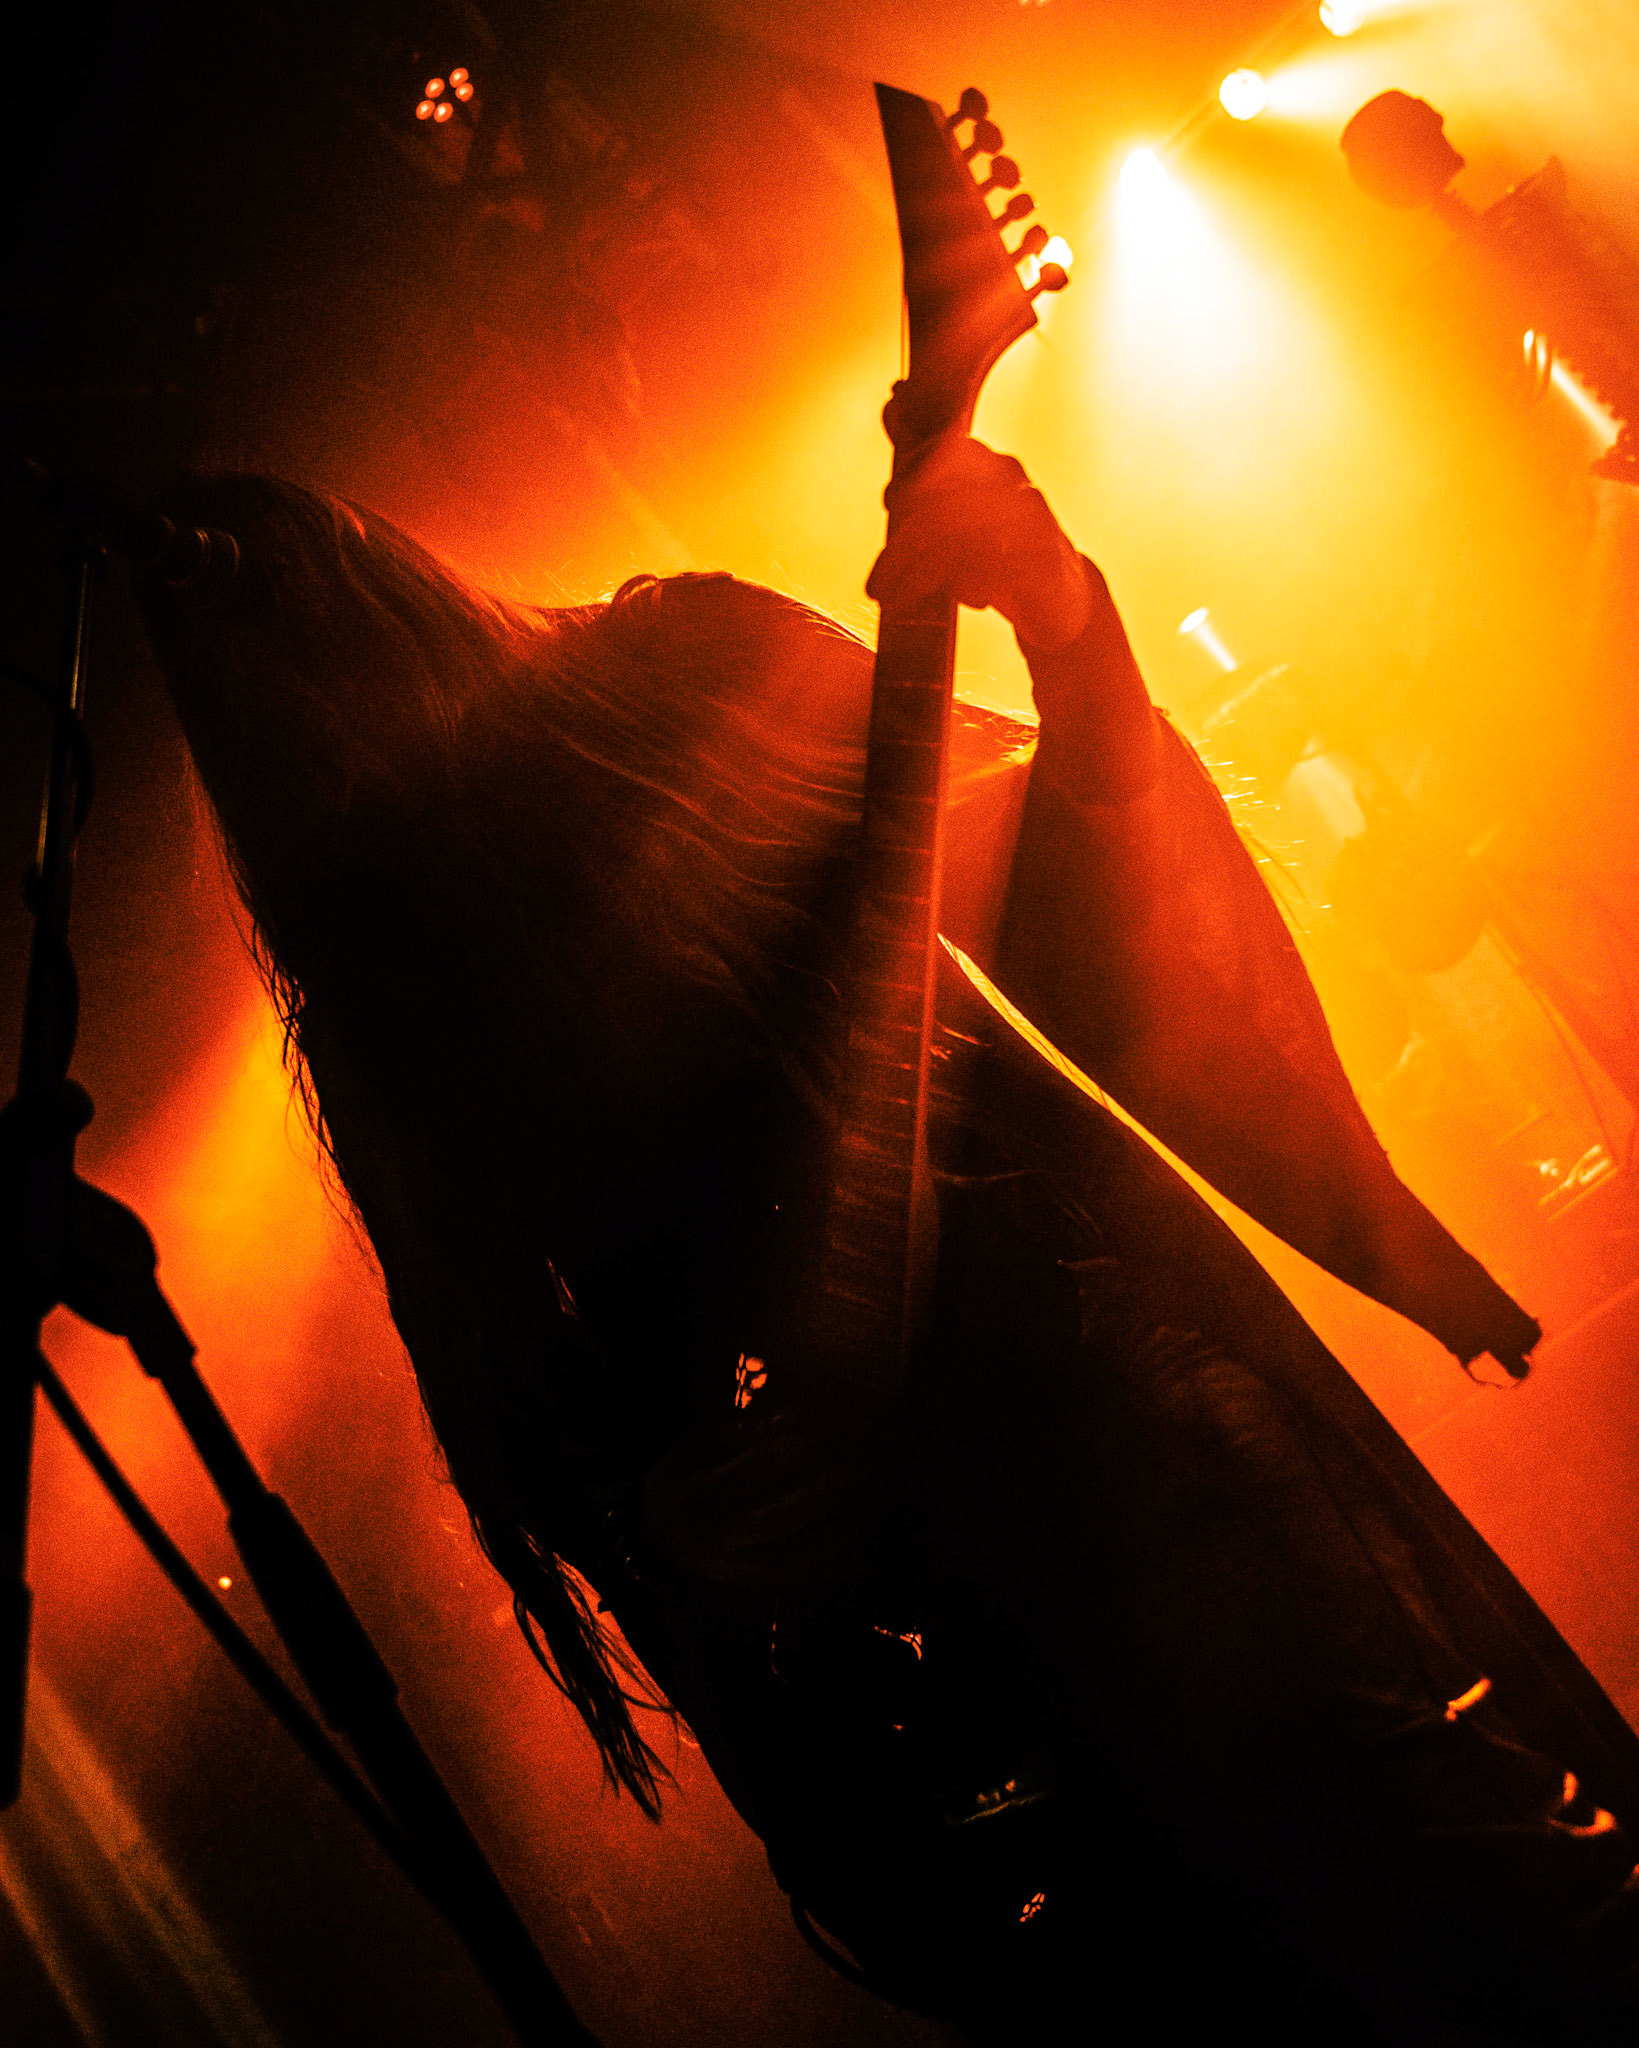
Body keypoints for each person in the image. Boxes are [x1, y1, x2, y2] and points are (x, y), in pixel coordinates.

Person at [136, 436, 1639, 2043]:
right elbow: (521, 1403)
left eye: (282, 601)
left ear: (378, 565)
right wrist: (677, 1514)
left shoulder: (681, 664)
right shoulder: (382, 1006)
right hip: (918, 1605)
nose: (289, 689)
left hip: (1095, 1412)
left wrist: (1064, 615)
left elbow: (1077, 897)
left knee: (1443, 1875)